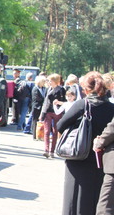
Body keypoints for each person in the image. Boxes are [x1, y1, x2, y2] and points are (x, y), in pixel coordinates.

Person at [58, 72, 114, 215]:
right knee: (95, 196)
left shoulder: (83, 104)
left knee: (74, 197)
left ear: (87, 89)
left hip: (78, 156)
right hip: (100, 158)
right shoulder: (111, 108)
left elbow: (60, 125)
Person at [39, 74, 66, 158]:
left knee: (55, 131)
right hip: (48, 111)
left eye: (50, 80)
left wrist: (58, 103)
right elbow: (45, 102)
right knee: (47, 131)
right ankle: (46, 150)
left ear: (55, 81)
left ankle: (52, 151)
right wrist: (42, 113)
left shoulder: (61, 89)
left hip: (57, 112)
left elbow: (65, 101)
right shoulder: (48, 89)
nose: (49, 82)